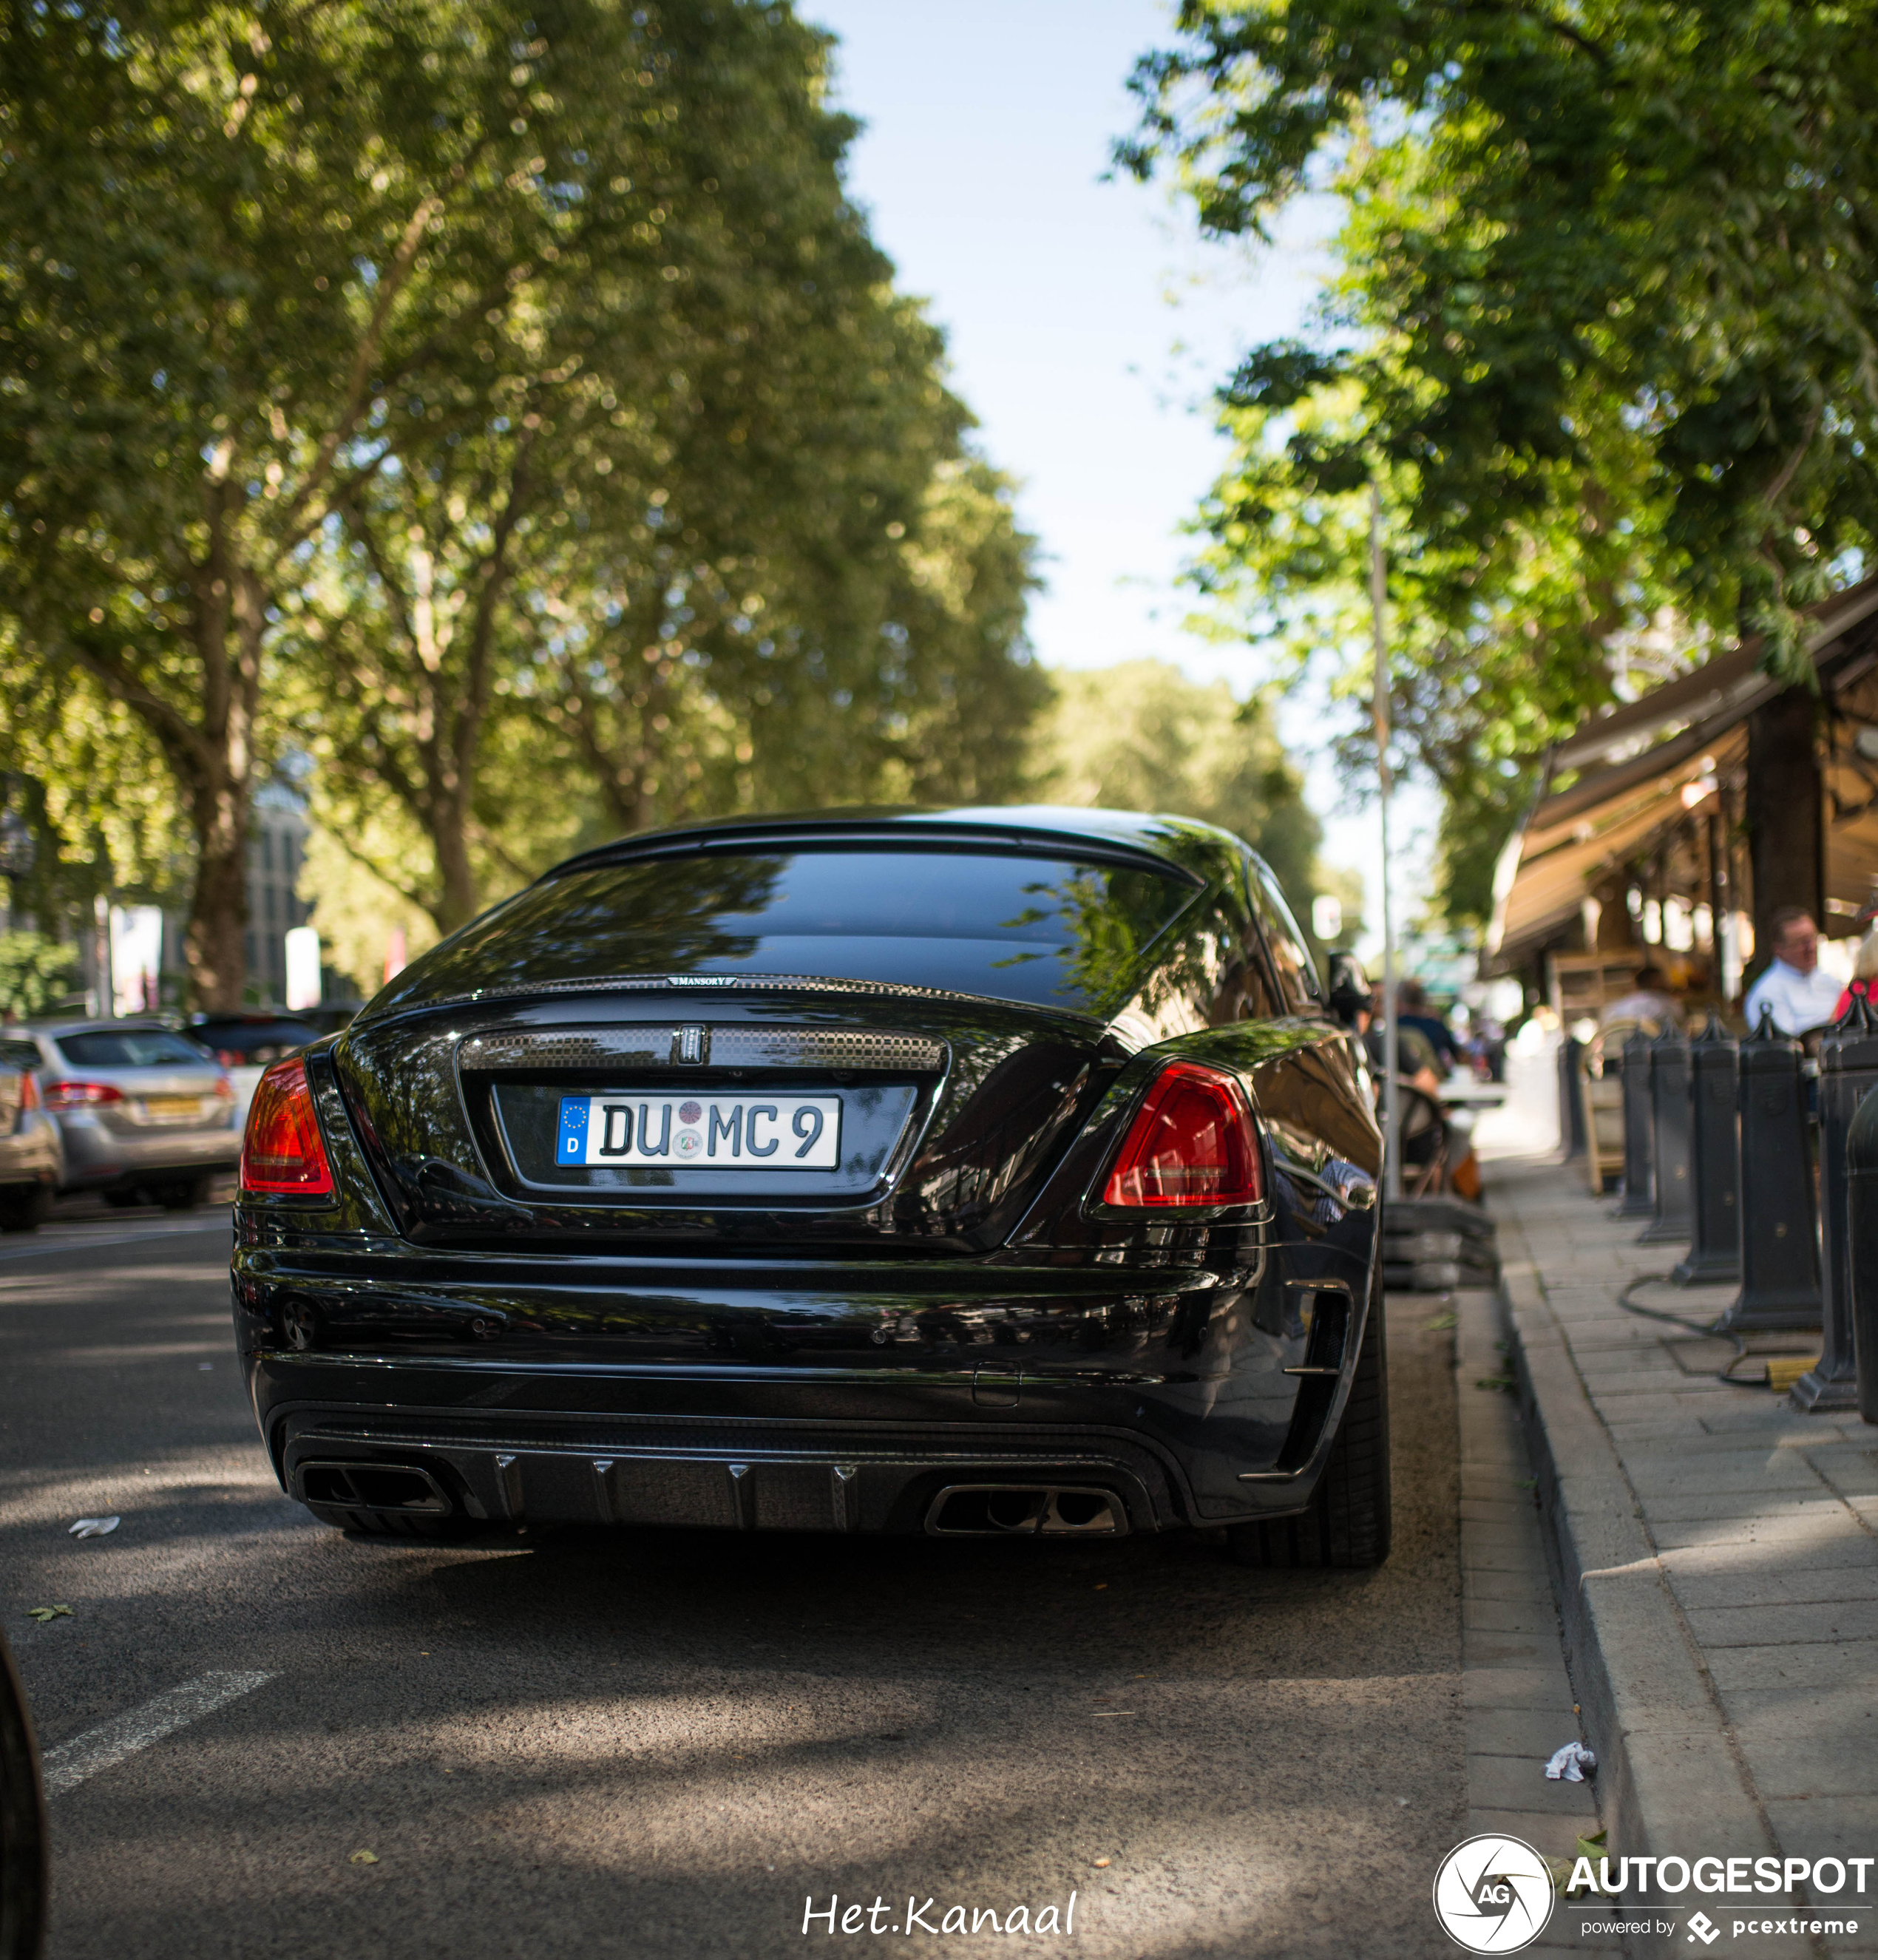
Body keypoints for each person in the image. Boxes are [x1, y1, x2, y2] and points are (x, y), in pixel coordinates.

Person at [1744, 908, 1845, 1036]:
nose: (1811, 947)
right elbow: (1786, 1046)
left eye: (1813, 938)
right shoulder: (1767, 992)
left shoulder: (1829, 981)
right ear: (1779, 949)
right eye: (1801, 942)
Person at [1397, 978, 1462, 1074]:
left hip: (1401, 1079)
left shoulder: (1395, 1025)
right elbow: (1457, 1055)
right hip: (1433, 1078)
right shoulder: (1435, 1024)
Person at [1600, 963, 1681, 1032]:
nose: (1666, 983)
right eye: (1663, 980)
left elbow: (1606, 1028)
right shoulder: (1667, 1003)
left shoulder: (1617, 1007)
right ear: (1656, 981)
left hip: (1626, 1048)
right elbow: (1680, 1026)